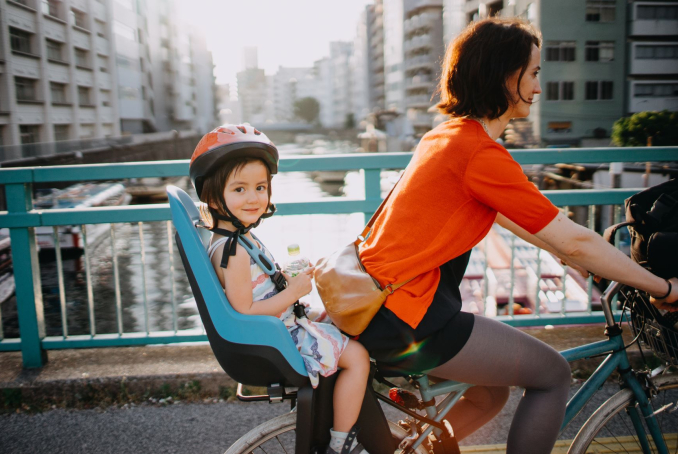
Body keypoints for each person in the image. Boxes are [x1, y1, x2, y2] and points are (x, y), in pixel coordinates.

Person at [356, 17, 678, 454]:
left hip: (381, 311)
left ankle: (416, 450)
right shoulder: (479, 153)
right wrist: (664, 287)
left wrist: (578, 260)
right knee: (552, 375)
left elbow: (525, 225)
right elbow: (575, 238)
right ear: (506, 76)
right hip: (411, 319)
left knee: (491, 391)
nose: (539, 87)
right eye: (534, 74)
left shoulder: (445, 136)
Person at [189, 125, 371, 454]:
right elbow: (244, 310)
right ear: (214, 197)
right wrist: (293, 291)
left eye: (260, 187)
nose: (254, 197)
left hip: (281, 325)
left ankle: (336, 410)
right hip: (280, 335)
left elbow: (256, 291)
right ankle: (342, 441)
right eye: (240, 189)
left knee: (345, 320)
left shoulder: (235, 239)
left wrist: (284, 279)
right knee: (358, 358)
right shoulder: (236, 250)